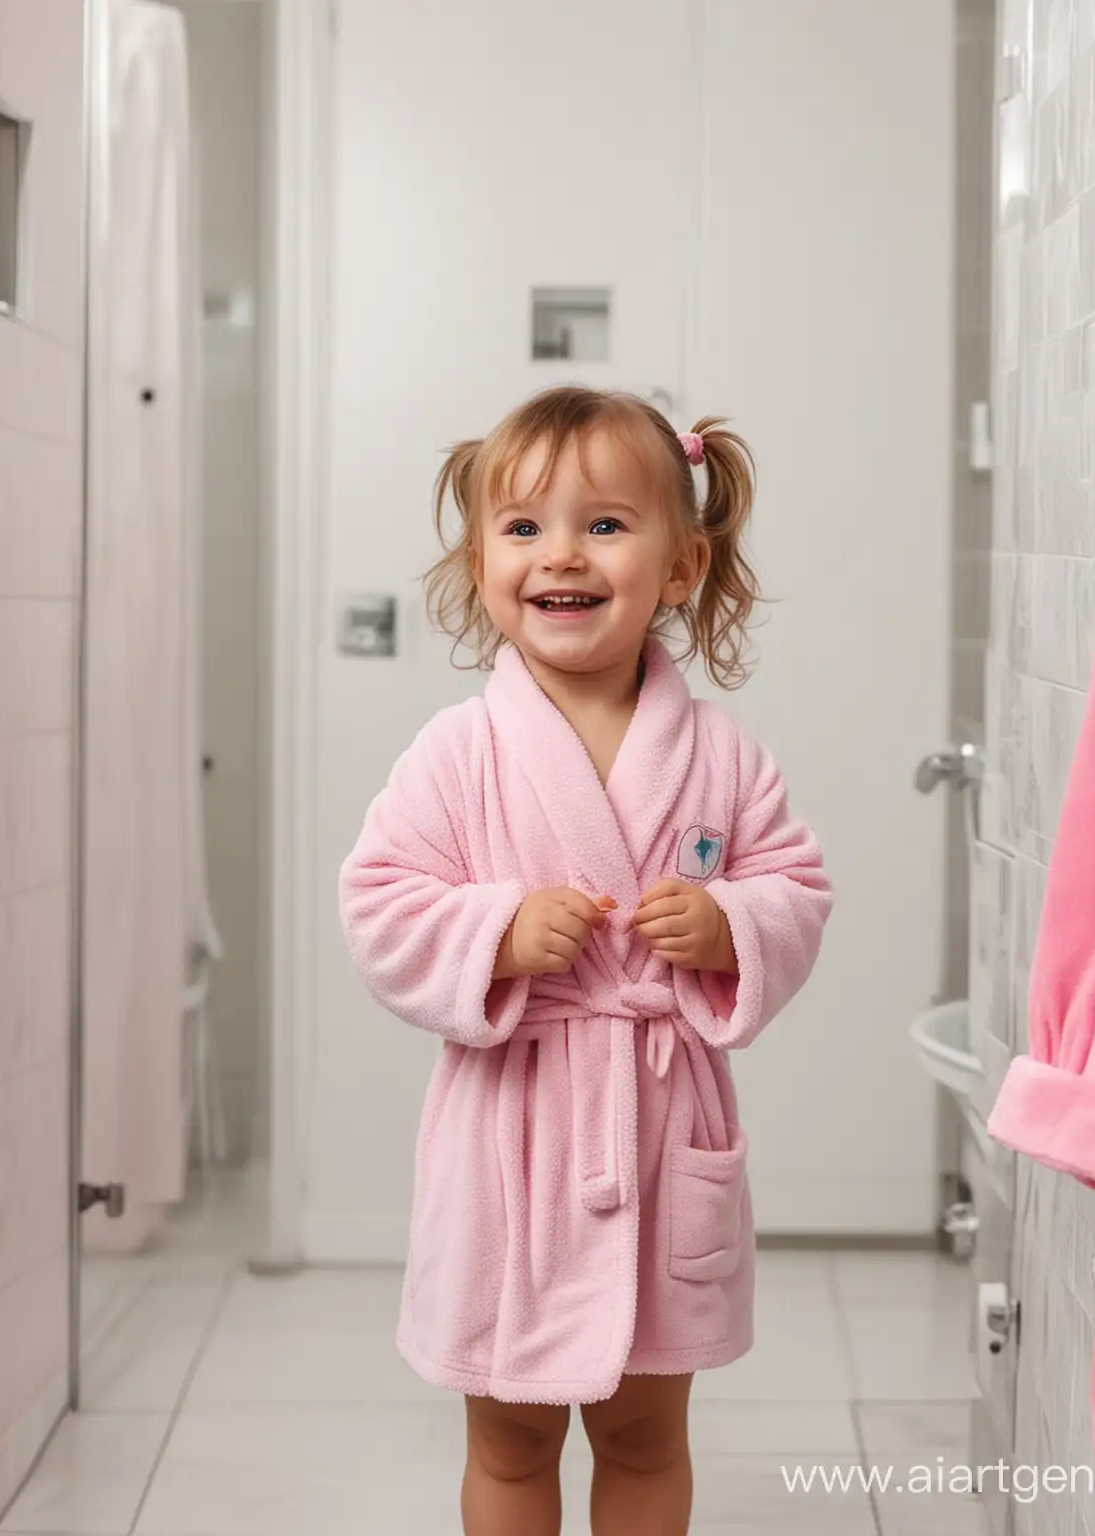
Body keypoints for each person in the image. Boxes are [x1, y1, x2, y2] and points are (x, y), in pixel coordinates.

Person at [339, 386, 832, 1536]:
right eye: (523, 528)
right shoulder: (457, 754)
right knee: (509, 1440)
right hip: (511, 1133)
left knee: (648, 1436)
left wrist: (731, 930)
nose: (561, 552)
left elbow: (795, 889)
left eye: (605, 524)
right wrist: (493, 935)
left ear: (681, 565)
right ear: (480, 562)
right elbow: (378, 903)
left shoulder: (721, 756)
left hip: (661, 1139)